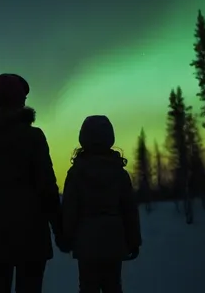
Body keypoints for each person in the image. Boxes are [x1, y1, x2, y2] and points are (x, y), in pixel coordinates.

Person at [0, 73, 65, 292]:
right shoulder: (33, 137)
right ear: (19, 101)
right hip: (32, 230)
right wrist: (59, 227)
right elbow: (47, 186)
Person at [61, 115, 142, 293]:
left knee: (88, 287)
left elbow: (69, 209)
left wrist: (66, 238)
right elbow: (129, 210)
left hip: (86, 240)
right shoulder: (119, 173)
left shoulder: (76, 173)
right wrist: (134, 240)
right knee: (113, 285)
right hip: (113, 239)